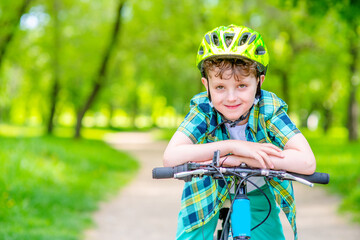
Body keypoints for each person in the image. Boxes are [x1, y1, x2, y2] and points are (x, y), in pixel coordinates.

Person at [163, 24, 316, 240]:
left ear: (259, 83)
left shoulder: (268, 109)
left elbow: (307, 162)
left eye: (242, 85)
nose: (231, 98)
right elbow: (171, 157)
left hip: (256, 189)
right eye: (220, 87)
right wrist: (233, 147)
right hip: (206, 190)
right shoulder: (203, 108)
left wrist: (239, 159)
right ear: (206, 86)